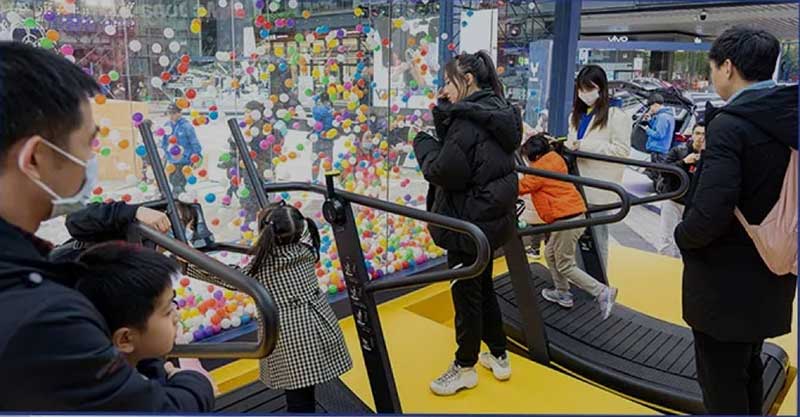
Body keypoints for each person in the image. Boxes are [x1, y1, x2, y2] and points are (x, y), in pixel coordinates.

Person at [0, 42, 214, 411]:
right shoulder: (44, 320)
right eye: (88, 144)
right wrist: (196, 385)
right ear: (35, 158)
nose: (91, 160)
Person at [674, 27, 797, 415]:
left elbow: (711, 211)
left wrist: (683, 235)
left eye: (713, 68)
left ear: (728, 67)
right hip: (773, 270)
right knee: (749, 370)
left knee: (721, 384)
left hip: (724, 286)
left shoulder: (730, 125)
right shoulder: (788, 117)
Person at [414, 50, 519, 396]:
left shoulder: (468, 121)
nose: (444, 88)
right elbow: (469, 155)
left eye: (449, 81)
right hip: (489, 220)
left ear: (468, 80)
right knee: (482, 287)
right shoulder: (497, 110)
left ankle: (464, 367)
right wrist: (444, 111)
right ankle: (500, 355)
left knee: (466, 295)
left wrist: (422, 143)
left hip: (467, 222)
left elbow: (445, 170)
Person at [184, 202, 352, 413]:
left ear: (265, 233)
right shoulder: (307, 251)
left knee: (298, 399)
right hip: (319, 327)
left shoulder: (262, 267)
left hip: (290, 338)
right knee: (307, 386)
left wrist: (188, 264)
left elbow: (229, 276)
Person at [75, 242, 216, 392]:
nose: (176, 316)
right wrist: (198, 387)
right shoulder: (130, 396)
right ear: (125, 339)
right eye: (167, 311)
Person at [519, 134, 618, 319]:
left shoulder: (539, 169)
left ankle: (602, 292)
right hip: (571, 215)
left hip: (566, 219)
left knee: (564, 264)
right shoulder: (554, 159)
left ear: (535, 156)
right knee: (550, 253)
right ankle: (562, 292)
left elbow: (520, 187)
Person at [565, 65, 632, 272]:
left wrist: (585, 146)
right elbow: (572, 141)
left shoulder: (616, 115)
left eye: (589, 88)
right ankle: (580, 280)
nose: (584, 93)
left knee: (597, 239)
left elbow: (622, 151)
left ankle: (599, 282)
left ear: (601, 88)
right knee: (575, 238)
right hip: (575, 186)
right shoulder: (576, 116)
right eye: (581, 88)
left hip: (598, 189)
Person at [655, 124, 705, 258]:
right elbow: (663, 171)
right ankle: (664, 264)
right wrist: (683, 162)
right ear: (692, 135)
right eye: (698, 133)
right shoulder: (679, 151)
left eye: (704, 134)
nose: (700, 138)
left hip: (692, 205)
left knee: (685, 241)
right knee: (666, 238)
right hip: (673, 199)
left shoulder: (711, 156)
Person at [162, 103, 202, 196]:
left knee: (179, 182)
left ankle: (179, 197)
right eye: (169, 113)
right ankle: (178, 196)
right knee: (172, 180)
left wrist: (197, 155)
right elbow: (164, 142)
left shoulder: (186, 126)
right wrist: (165, 154)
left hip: (184, 159)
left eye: (173, 113)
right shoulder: (167, 125)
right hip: (171, 160)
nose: (171, 115)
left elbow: (194, 142)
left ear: (179, 113)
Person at [639, 93, 675, 181]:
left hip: (658, 150)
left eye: (651, 107)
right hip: (661, 149)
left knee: (657, 175)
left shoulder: (663, 117)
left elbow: (659, 134)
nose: (650, 109)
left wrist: (647, 129)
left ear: (655, 105)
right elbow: (658, 128)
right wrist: (650, 120)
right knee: (657, 173)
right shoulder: (666, 115)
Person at [311, 95, 335, 182]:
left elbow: (313, 110)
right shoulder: (331, 111)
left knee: (315, 161)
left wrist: (316, 99)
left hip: (317, 138)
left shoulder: (317, 110)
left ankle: (314, 182)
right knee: (328, 162)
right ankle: (329, 183)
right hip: (328, 139)